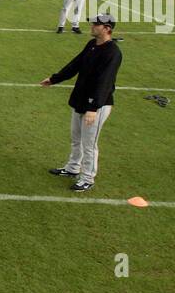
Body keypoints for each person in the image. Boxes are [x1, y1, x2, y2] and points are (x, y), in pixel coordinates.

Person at [40, 13, 122, 193]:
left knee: (89, 144)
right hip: (81, 99)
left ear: (107, 29)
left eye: (96, 24)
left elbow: (105, 82)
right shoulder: (92, 45)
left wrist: (93, 107)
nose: (92, 26)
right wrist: (54, 79)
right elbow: (75, 64)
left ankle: (87, 178)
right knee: (76, 138)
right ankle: (72, 168)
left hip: (97, 105)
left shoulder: (113, 53)